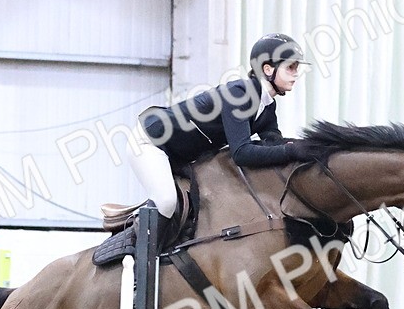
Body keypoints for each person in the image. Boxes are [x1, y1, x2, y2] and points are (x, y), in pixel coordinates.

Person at [111, 33, 324, 230]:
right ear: (268, 69)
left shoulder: (267, 106)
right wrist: (292, 151)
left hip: (182, 154)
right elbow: (242, 153)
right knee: (166, 202)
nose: (296, 74)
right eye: (291, 67)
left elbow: (274, 144)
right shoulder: (239, 93)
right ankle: (135, 257)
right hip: (150, 142)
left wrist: (311, 149)